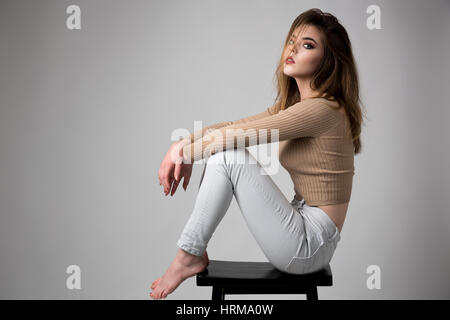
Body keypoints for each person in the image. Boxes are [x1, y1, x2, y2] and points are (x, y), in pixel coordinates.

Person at [150, 8, 365, 299]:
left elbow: (242, 136)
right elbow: (234, 126)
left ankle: (189, 253)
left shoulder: (321, 110)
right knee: (224, 153)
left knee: (228, 156)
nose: (293, 49)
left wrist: (184, 154)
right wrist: (182, 145)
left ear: (328, 61)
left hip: (310, 244)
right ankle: (191, 252)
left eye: (307, 45)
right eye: (292, 41)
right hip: (303, 226)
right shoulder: (297, 106)